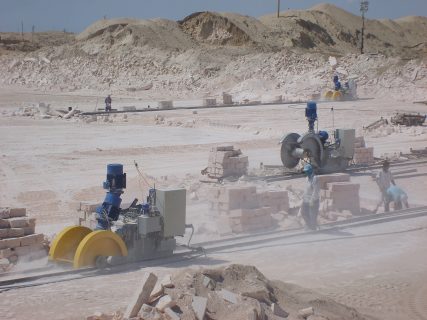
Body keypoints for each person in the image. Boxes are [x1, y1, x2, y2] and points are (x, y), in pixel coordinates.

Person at [301, 164, 320, 230]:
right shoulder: (307, 178)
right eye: (305, 171)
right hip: (306, 199)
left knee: (312, 215)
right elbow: (306, 189)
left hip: (313, 200)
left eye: (307, 171)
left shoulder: (315, 178)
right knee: (303, 212)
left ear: (311, 171)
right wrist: (303, 195)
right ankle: (309, 225)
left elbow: (316, 191)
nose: (306, 172)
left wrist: (312, 200)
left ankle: (313, 228)